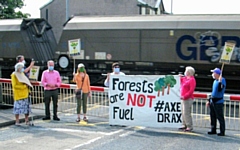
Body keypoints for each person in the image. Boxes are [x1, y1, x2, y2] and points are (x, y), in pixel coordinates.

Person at [206, 68, 226, 136]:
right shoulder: (215, 81)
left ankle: (222, 131)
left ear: (217, 74)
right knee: (213, 116)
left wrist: (220, 82)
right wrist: (209, 100)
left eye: (214, 73)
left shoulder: (222, 80)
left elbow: (220, 89)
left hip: (218, 102)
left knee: (220, 117)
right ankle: (213, 129)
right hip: (213, 100)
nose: (213, 74)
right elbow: (213, 92)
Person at [178, 66, 196, 132]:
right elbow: (180, 80)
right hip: (183, 98)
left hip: (187, 98)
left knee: (186, 112)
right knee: (183, 112)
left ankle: (189, 126)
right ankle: (184, 124)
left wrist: (185, 96)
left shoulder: (192, 80)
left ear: (189, 72)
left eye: (186, 71)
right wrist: (179, 77)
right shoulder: (185, 78)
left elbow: (191, 90)